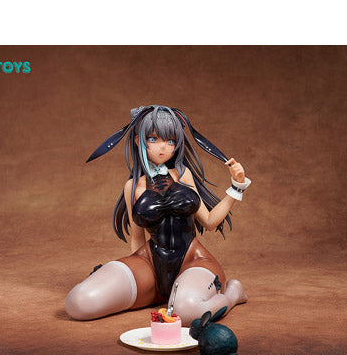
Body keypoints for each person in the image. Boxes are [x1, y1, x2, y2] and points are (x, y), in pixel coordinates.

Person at [65, 105, 251, 325]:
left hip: (193, 260)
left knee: (187, 313)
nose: (163, 147)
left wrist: (237, 186)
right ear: (138, 140)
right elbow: (137, 237)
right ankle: (163, 292)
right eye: (153, 139)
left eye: (171, 141)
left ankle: (232, 293)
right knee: (79, 303)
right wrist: (131, 278)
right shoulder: (133, 186)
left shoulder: (183, 175)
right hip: (150, 263)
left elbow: (209, 222)